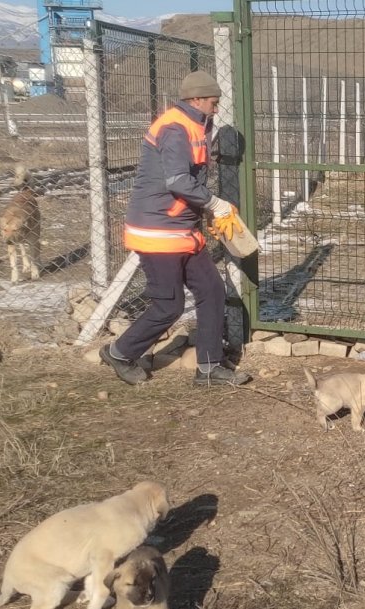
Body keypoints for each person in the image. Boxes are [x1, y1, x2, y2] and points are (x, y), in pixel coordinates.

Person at [100, 70, 251, 387]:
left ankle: (208, 368)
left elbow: (190, 178)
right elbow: (178, 181)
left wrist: (204, 211)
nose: (216, 107)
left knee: (211, 291)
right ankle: (120, 352)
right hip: (158, 232)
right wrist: (214, 203)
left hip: (181, 229)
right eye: (213, 101)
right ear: (197, 98)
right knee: (169, 305)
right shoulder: (175, 127)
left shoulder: (197, 124)